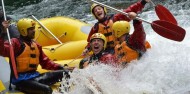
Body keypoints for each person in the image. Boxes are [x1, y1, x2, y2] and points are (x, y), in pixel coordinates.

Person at [0, 18, 70, 94]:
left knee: (67, 73)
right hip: (22, 81)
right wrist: (3, 33)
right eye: (31, 29)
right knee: (47, 89)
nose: (34, 31)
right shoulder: (15, 43)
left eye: (33, 28)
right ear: (23, 31)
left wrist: (60, 67)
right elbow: (2, 50)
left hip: (35, 77)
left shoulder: (35, 45)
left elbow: (45, 62)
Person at [82, 0, 150, 55]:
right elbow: (91, 42)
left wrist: (142, 2)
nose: (97, 11)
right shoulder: (95, 28)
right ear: (95, 15)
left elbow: (129, 11)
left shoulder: (115, 18)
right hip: (107, 50)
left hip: (121, 46)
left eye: (99, 9)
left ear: (104, 10)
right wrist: (87, 49)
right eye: (95, 11)